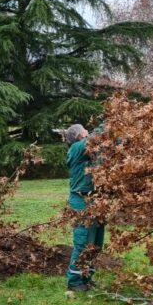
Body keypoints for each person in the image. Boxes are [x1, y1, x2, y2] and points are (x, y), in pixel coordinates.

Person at [64, 123, 105, 292]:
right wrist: (109, 122)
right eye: (85, 131)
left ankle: (87, 277)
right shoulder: (76, 148)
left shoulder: (88, 150)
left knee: (95, 243)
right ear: (81, 135)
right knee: (82, 241)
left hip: (95, 200)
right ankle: (74, 281)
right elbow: (98, 136)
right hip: (82, 201)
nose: (88, 132)